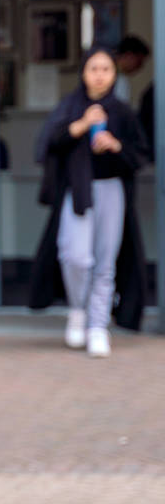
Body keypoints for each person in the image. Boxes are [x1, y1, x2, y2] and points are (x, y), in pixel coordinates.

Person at [29, 46, 150, 355]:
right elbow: (47, 143)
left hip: (112, 190)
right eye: (94, 68)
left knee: (105, 260)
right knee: (75, 256)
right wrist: (81, 125)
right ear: (83, 73)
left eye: (106, 69)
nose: (99, 75)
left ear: (114, 74)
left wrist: (115, 145)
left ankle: (97, 325)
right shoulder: (70, 106)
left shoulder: (122, 111)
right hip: (78, 191)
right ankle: (78, 310)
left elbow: (140, 155)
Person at [112, 34, 149, 105]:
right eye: (139, 61)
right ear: (129, 55)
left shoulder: (121, 78)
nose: (140, 67)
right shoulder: (118, 80)